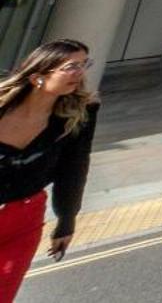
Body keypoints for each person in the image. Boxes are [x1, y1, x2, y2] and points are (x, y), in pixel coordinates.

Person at [0, 39, 98, 297]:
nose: (80, 73)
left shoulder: (79, 115)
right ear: (38, 77)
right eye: (70, 66)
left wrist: (67, 219)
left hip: (24, 219)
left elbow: (74, 168)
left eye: (84, 64)